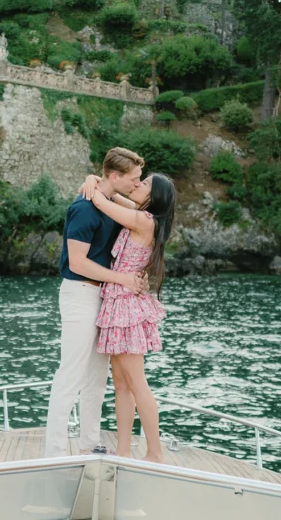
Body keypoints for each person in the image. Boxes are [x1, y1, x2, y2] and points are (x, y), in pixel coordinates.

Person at [44, 148, 149, 458]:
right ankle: (56, 450)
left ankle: (89, 442)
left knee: (96, 376)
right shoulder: (83, 209)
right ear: (115, 177)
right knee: (71, 373)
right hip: (79, 293)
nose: (137, 183)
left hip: (103, 297)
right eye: (134, 179)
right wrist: (124, 280)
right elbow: (77, 262)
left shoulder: (112, 201)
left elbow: (144, 206)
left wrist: (92, 178)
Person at [79, 172, 176, 463]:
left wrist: (91, 185)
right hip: (120, 302)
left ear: (153, 196)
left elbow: (102, 201)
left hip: (126, 307)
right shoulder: (139, 214)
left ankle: (155, 453)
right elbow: (112, 194)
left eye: (144, 184)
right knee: (121, 383)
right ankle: (123, 450)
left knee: (136, 382)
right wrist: (93, 177)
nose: (138, 184)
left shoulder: (143, 220)